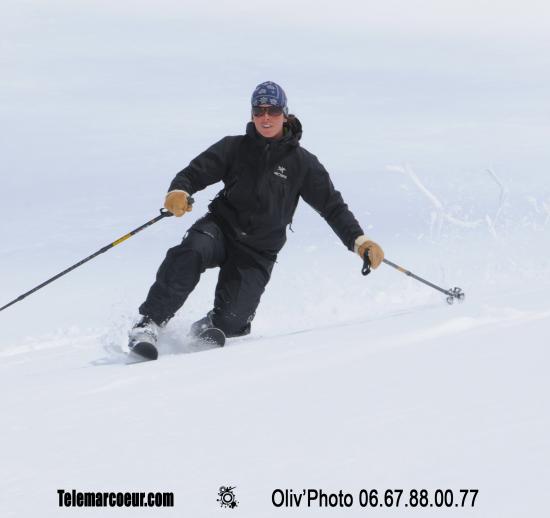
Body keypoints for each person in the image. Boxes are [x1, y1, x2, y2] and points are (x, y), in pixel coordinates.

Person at [128, 81, 384, 356]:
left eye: (272, 111)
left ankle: (211, 326)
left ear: (284, 114)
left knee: (233, 321)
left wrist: (359, 241)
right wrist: (178, 192)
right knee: (192, 251)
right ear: (251, 114)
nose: (265, 117)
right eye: (258, 111)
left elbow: (333, 207)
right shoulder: (234, 147)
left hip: (259, 250)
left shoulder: (303, 163)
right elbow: (193, 174)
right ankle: (149, 324)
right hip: (221, 229)